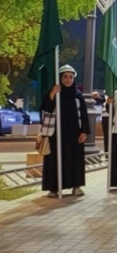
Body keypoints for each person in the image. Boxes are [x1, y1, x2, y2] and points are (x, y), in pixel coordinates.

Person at [40, 65, 90, 197]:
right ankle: (53, 188)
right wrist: (52, 94)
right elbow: (46, 110)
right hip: (56, 133)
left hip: (75, 134)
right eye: (65, 77)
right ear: (60, 78)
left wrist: (84, 132)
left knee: (75, 160)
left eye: (70, 77)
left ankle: (76, 187)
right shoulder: (55, 93)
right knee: (55, 159)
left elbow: (84, 115)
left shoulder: (78, 96)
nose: (68, 80)